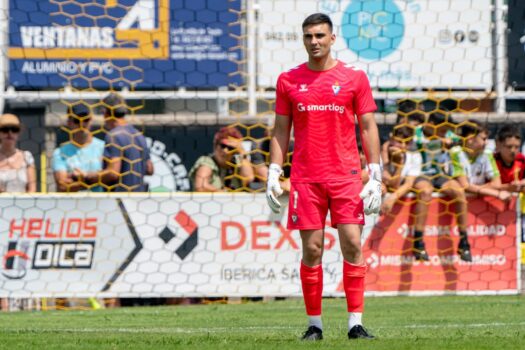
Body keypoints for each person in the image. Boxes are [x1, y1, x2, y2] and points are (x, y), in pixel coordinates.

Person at [265, 13, 382, 341]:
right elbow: (280, 130)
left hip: (345, 176)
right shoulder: (288, 80)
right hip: (305, 178)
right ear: (303, 40)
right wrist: (274, 172)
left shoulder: (354, 78)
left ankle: (355, 324)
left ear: (332, 38)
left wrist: (376, 174)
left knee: (352, 243)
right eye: (308, 36)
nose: (314, 41)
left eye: (319, 35)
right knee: (312, 249)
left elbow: (369, 126)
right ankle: (314, 326)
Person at [409, 111, 470, 262]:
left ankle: (464, 242)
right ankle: (418, 242)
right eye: (443, 130)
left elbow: (459, 141)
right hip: (418, 173)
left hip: (439, 174)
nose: (446, 133)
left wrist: (451, 142)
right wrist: (438, 142)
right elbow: (413, 145)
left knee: (459, 192)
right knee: (425, 191)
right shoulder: (415, 132)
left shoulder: (447, 134)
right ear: (431, 124)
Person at [77, 93, 153, 191]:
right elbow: (149, 169)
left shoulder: (113, 136)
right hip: (138, 198)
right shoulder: (138, 135)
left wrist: (86, 176)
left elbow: (113, 173)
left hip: (120, 199)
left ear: (106, 113)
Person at [450, 120, 512, 201]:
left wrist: (475, 189)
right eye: (484, 139)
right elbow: (464, 185)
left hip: (478, 201)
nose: (487, 143)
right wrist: (497, 194)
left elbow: (496, 184)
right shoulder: (456, 153)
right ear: (470, 139)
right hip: (455, 203)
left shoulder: (487, 154)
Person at [52, 103, 105, 192]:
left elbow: (110, 177)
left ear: (91, 120)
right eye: (77, 120)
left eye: (86, 120)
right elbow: (62, 186)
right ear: (69, 123)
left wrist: (80, 178)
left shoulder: (104, 147)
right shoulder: (59, 153)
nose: (82, 124)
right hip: (73, 205)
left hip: (101, 204)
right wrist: (96, 178)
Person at [189, 126, 255, 192]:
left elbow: (248, 179)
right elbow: (201, 186)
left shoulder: (238, 162)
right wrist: (224, 194)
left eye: (230, 148)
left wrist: (242, 152)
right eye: (223, 146)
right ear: (215, 146)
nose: (225, 151)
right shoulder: (207, 161)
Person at [381, 125, 423, 213]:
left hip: (397, 191)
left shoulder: (415, 156)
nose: (403, 146)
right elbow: (388, 181)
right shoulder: (380, 154)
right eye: (399, 142)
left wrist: (392, 198)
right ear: (392, 139)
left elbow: (408, 184)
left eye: (407, 143)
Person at [0, 113, 36, 193]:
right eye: (5, 129)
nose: (10, 133)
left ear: (19, 133)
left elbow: (32, 190)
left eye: (14, 129)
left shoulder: (26, 157)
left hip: (23, 204)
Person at [493, 124, 525, 192]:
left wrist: (522, 183)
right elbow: (489, 186)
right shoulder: (492, 161)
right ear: (498, 144)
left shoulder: (521, 160)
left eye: (516, 147)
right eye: (509, 147)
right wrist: (508, 187)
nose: (513, 151)